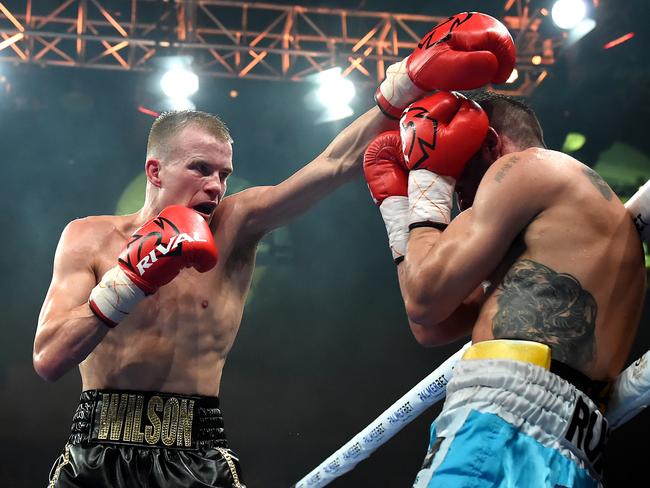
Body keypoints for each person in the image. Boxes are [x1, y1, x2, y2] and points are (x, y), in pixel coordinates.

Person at [33, 11, 515, 487]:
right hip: (96, 452)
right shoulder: (88, 237)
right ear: (155, 171)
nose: (217, 186)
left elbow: (333, 165)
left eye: (223, 173)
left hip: (195, 454)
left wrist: (402, 89)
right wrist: (126, 281)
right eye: (201, 169)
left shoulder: (235, 224)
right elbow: (49, 359)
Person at [363, 89, 646, 487]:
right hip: (577, 444)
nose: (460, 198)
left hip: (501, 417)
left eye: (459, 176)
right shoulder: (564, 222)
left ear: (491, 142)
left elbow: (423, 298)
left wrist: (430, 185)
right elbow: (431, 325)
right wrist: (399, 217)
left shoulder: (524, 168)